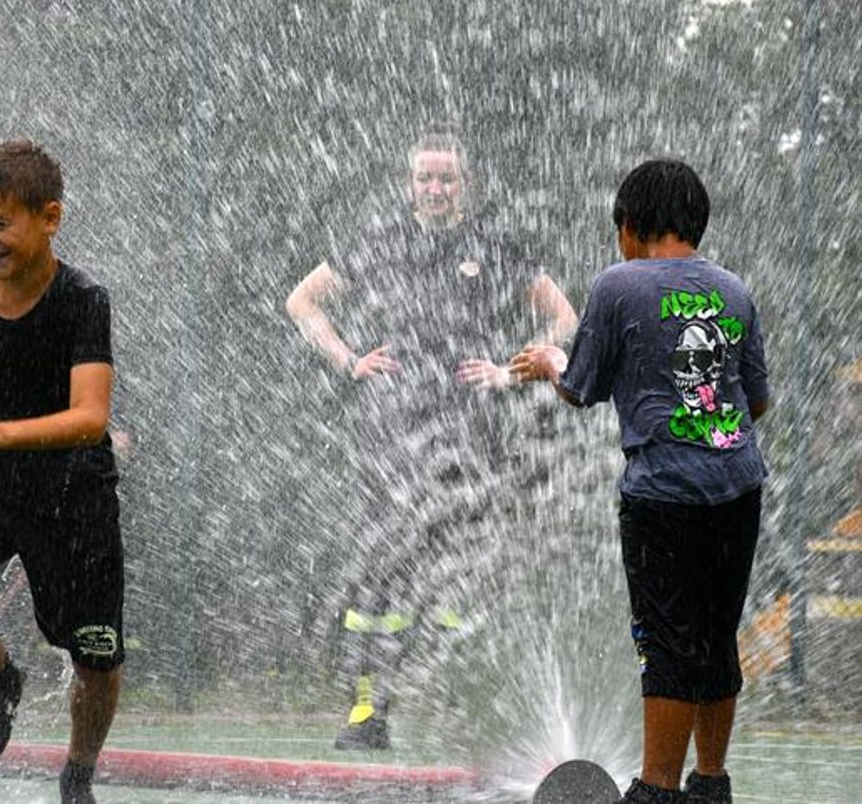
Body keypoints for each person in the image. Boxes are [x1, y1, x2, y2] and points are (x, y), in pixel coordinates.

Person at [286, 127, 577, 749]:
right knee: (380, 571)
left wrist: (508, 372)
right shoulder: (377, 240)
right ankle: (370, 712)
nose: (436, 187)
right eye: (426, 178)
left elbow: (566, 318)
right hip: (389, 434)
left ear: (463, 184)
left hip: (470, 436)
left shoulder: (493, 242)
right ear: (409, 184)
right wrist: (349, 361)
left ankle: (464, 712)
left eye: (447, 178)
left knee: (463, 574)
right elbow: (302, 302)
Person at [511, 159, 769, 804]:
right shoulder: (734, 291)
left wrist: (548, 361)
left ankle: (655, 789)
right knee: (715, 635)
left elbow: (582, 387)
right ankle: (710, 783)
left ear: (630, 224)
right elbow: (755, 400)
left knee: (666, 641)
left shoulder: (619, 284)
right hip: (738, 486)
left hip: (663, 495)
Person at [0, 139, 123, 804]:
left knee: (95, 654)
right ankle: (3, 680)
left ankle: (78, 774)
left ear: (50, 217)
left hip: (73, 490)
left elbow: (90, 416)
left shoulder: (83, 299)